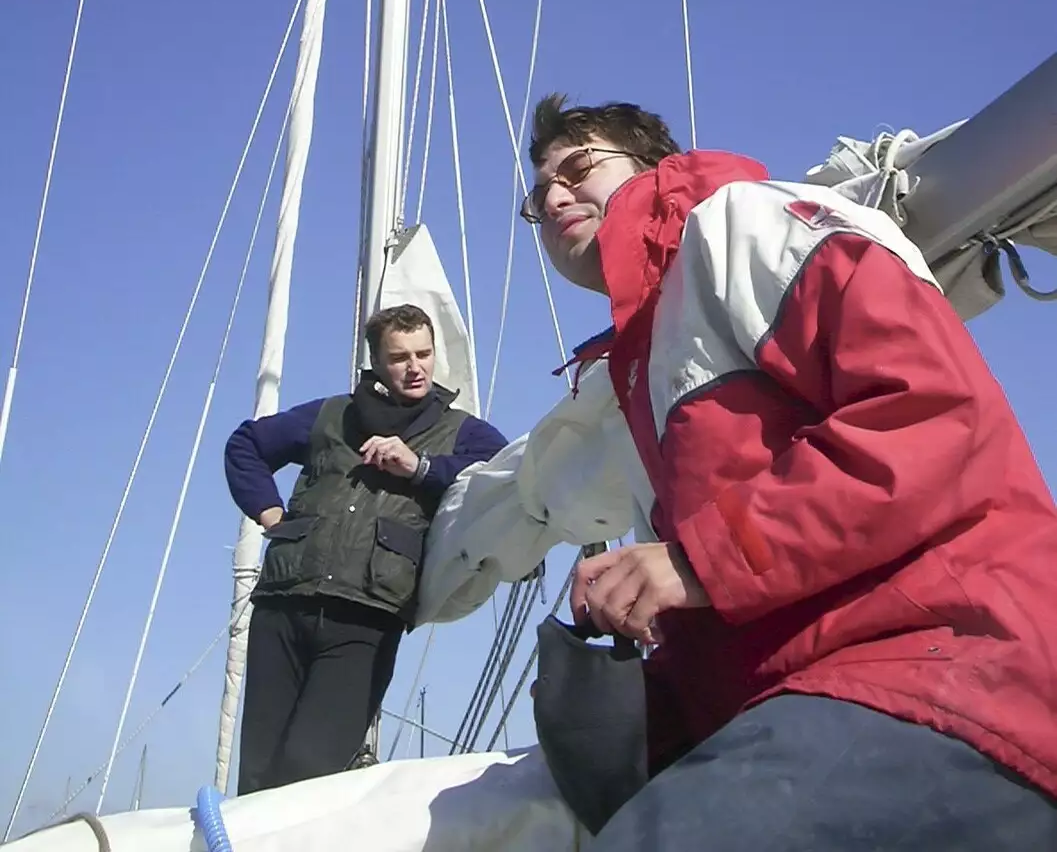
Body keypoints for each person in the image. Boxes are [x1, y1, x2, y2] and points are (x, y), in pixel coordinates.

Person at [523, 93, 1057, 849]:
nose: (551, 197)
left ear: (653, 168)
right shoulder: (643, 365)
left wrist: (698, 560)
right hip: (816, 703)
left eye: (577, 168)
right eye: (535, 197)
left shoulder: (743, 223)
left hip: (945, 669)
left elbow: (929, 415)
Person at [224, 302, 507, 794]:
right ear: (376, 362)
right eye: (400, 357)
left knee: (310, 769)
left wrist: (419, 467)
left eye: (423, 353)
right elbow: (245, 445)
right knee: (258, 774)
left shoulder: (462, 431)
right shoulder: (332, 415)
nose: (415, 366)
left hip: (367, 616)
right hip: (284, 604)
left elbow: (503, 474)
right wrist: (272, 515)